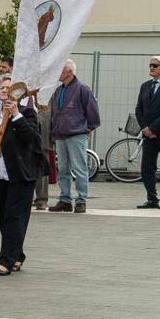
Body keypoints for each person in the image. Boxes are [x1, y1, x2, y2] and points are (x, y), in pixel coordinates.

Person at [0, 84, 44, 276]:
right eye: (1, 87)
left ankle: (6, 261)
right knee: (3, 217)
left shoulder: (28, 113)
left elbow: (30, 137)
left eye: (9, 87)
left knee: (14, 217)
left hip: (21, 174)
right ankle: (17, 254)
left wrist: (16, 114)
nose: (4, 91)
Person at [46, 60, 101, 213]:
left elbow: (93, 114)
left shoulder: (82, 89)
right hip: (61, 135)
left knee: (79, 168)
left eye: (61, 69)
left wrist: (85, 130)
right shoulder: (59, 91)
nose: (58, 72)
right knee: (63, 169)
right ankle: (65, 200)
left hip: (76, 134)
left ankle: (81, 201)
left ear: (70, 71)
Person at [138, 57, 160, 208]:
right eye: (150, 65)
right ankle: (151, 198)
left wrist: (153, 128)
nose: (151, 67)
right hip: (148, 135)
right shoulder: (145, 86)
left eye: (155, 65)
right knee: (147, 167)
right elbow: (139, 109)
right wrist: (145, 129)